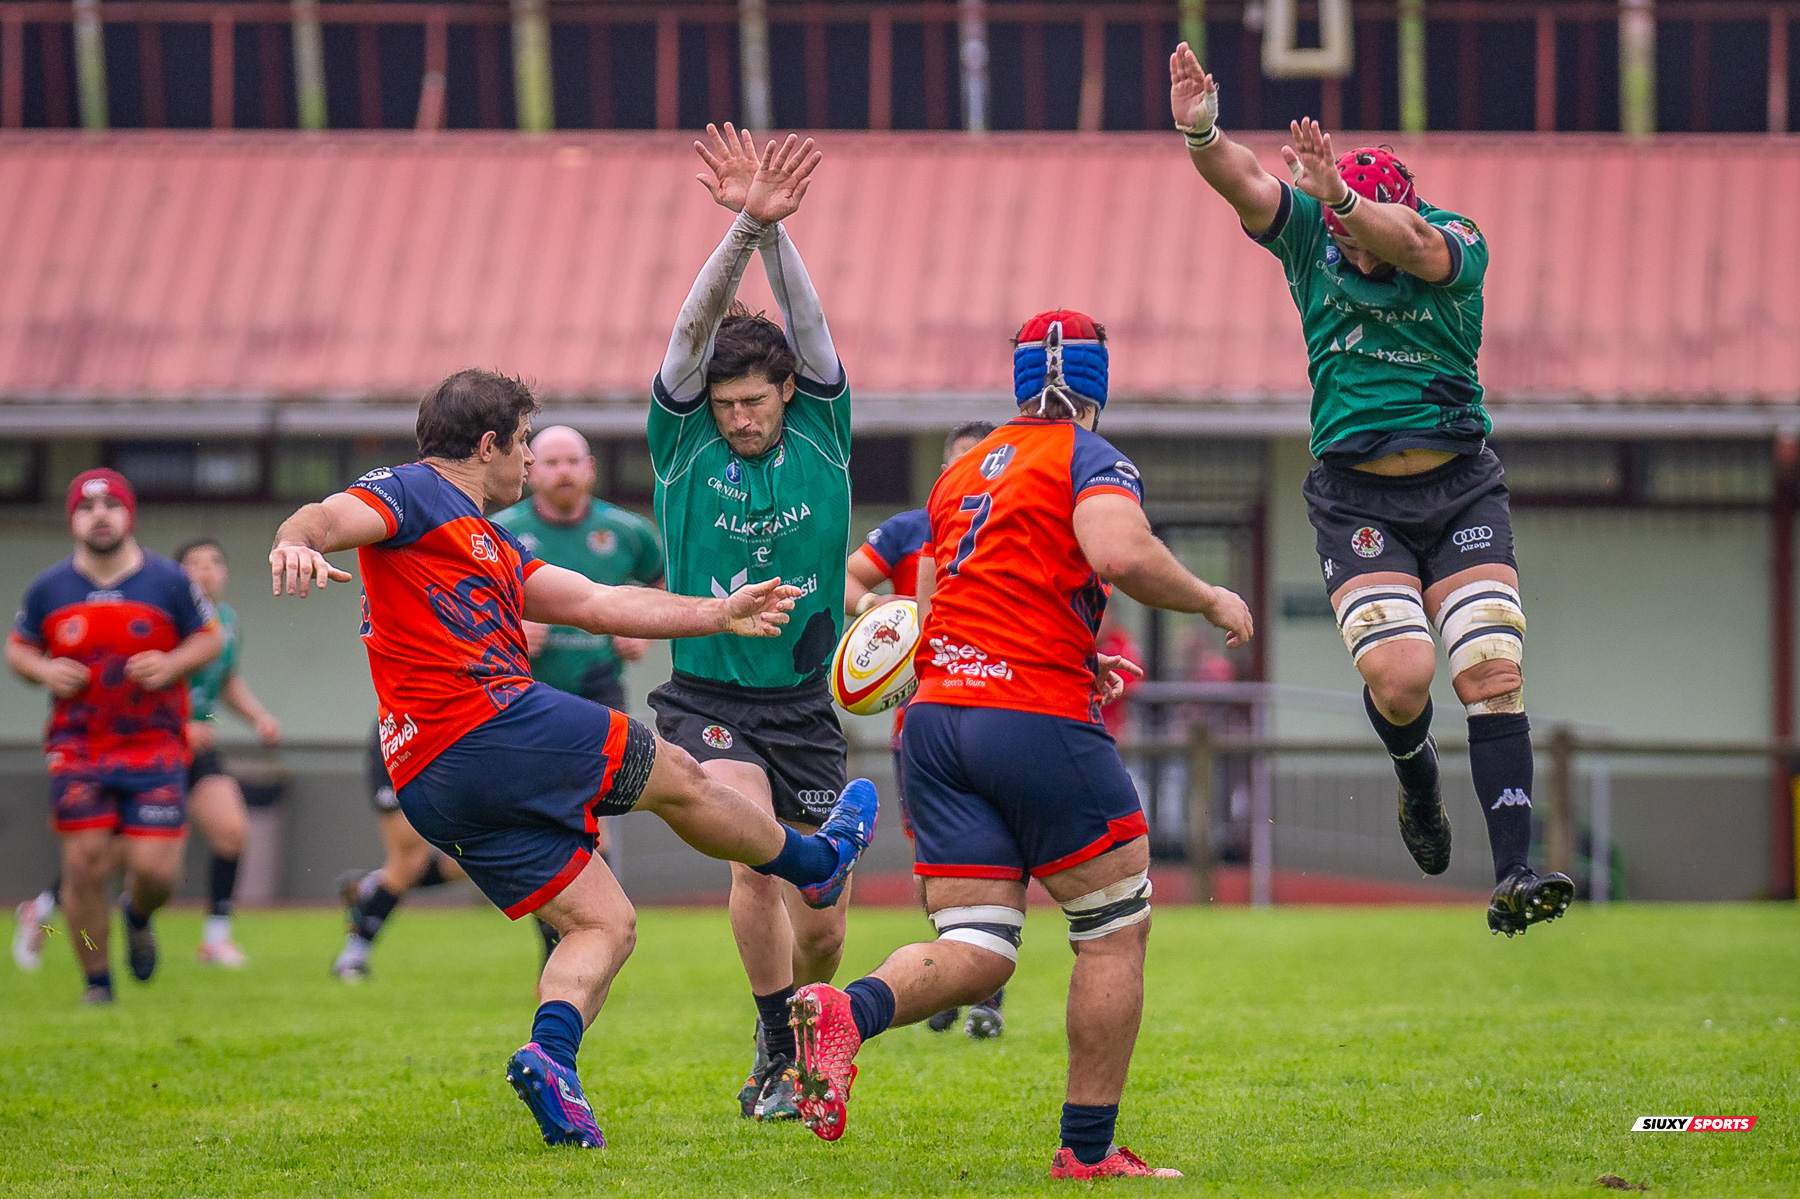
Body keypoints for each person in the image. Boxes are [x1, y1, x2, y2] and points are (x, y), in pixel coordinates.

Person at [268, 367, 877, 1150]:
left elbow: (598, 601)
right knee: (679, 776)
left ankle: (551, 1057)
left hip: (431, 778)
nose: (529, 460)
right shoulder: (416, 491)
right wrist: (295, 541)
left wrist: (719, 611)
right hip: (488, 721)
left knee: (605, 922)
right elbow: (327, 513)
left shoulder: (492, 543)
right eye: (524, 442)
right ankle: (814, 862)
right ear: (487, 444)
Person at [786, 311, 1255, 1180]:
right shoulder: (1088, 455)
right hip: (1031, 712)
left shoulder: (961, 470)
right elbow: (1117, 550)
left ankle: (849, 1011)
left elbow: (959, 598)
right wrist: (1209, 596)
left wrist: (1075, 652)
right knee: (1114, 926)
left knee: (979, 944)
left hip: (937, 718)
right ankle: (1087, 1152)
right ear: (1097, 384)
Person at [1168, 43, 1573, 936]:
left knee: (1490, 666)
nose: (1348, 246)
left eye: (1355, 229)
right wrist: (1201, 132)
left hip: (1460, 488)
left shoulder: (1452, 240)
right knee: (1402, 678)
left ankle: (1514, 870)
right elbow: (1246, 182)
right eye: (1338, 232)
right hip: (1357, 499)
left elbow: (1412, 244)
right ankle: (1417, 780)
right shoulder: (1313, 235)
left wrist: (1347, 205)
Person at [647, 125, 857, 1122]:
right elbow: (687, 342)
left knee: (824, 918)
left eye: (753, 401)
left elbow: (810, 329)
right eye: (724, 403)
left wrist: (777, 235)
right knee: (753, 845)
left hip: (804, 703)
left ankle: (804, 1031)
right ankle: (775, 1041)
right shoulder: (683, 444)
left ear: (786, 395)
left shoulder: (823, 429)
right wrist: (740, 231)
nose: (738, 416)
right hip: (708, 696)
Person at [5, 470, 222, 1003]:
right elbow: (19, 649)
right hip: (78, 746)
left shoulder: (169, 580)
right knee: (83, 866)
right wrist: (44, 670)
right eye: (86, 508)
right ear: (72, 520)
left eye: (110, 506)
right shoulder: (49, 587)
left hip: (155, 744)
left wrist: (172, 663)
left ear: (129, 515)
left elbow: (210, 640)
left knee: (156, 873)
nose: (99, 516)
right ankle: (97, 983)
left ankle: (138, 915)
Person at [844, 419, 1007, 1041]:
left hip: (1002, 711)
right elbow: (848, 578)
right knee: (932, 859)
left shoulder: (1019, 529)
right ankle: (947, 971)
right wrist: (879, 609)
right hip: (923, 718)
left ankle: (986, 991)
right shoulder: (910, 529)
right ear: (943, 471)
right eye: (962, 463)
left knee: (1000, 848)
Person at [175, 537, 283, 968]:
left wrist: (258, 717)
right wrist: (181, 725)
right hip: (154, 744)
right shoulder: (164, 618)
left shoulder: (228, 623)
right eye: (194, 564)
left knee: (232, 831)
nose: (206, 571)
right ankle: (46, 907)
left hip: (201, 748)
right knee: (111, 851)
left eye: (214, 563)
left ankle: (215, 939)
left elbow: (226, 682)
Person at [328, 726, 470, 982]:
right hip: (402, 739)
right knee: (410, 860)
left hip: (450, 744)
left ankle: (374, 886)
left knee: (467, 860)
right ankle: (353, 955)